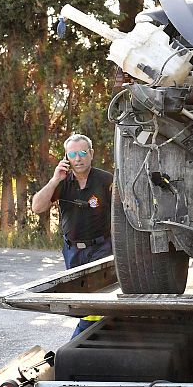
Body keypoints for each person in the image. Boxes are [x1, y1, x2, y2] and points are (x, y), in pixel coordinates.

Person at [31, 133, 114, 337]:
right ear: (66, 157)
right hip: (73, 251)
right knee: (81, 300)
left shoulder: (105, 180)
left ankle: (80, 339)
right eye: (73, 154)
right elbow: (37, 207)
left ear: (91, 154)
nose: (78, 158)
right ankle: (93, 337)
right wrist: (54, 180)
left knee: (97, 297)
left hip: (101, 248)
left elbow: (121, 213)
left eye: (83, 152)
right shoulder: (62, 182)